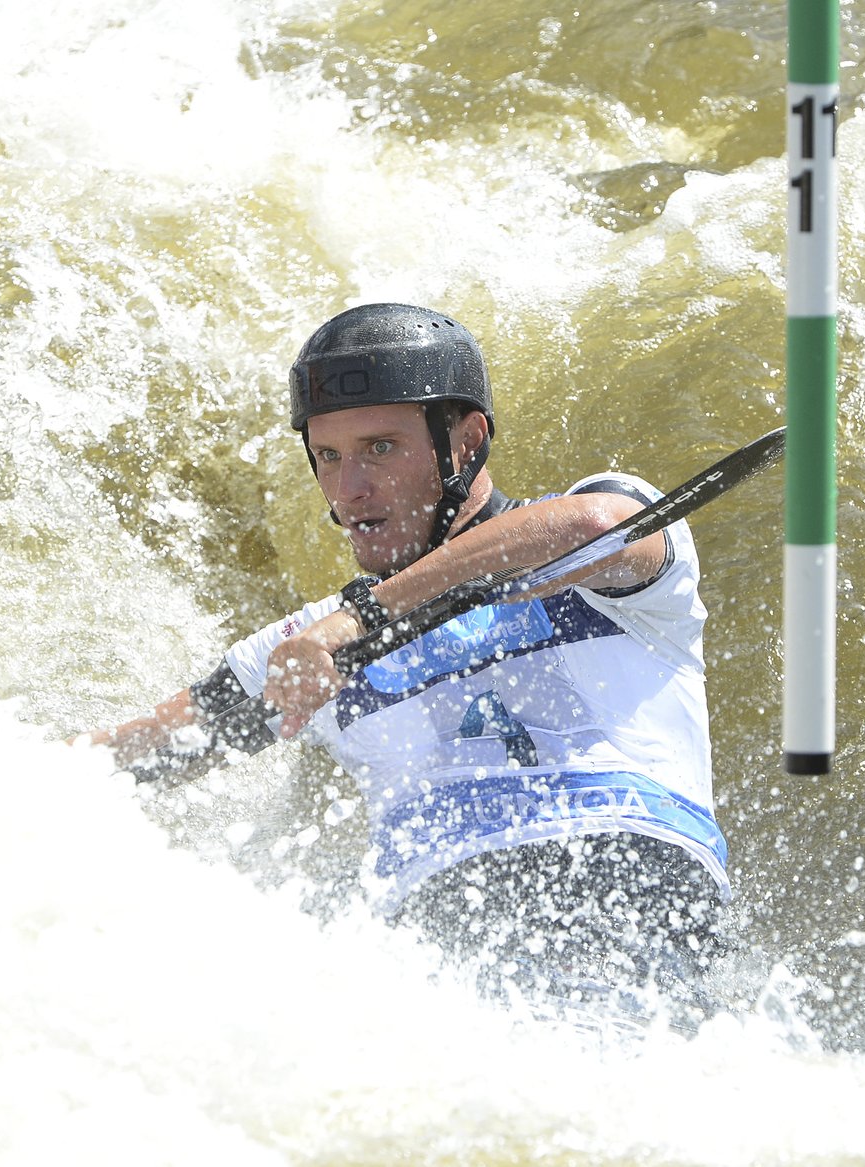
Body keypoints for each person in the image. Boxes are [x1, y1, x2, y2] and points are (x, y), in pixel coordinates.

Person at [83, 302, 730, 1026]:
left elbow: (598, 527)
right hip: (436, 929)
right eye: (328, 456)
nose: (348, 488)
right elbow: (111, 767)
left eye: (380, 448)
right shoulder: (301, 651)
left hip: (634, 878)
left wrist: (358, 619)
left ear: (466, 441)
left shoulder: (601, 549)